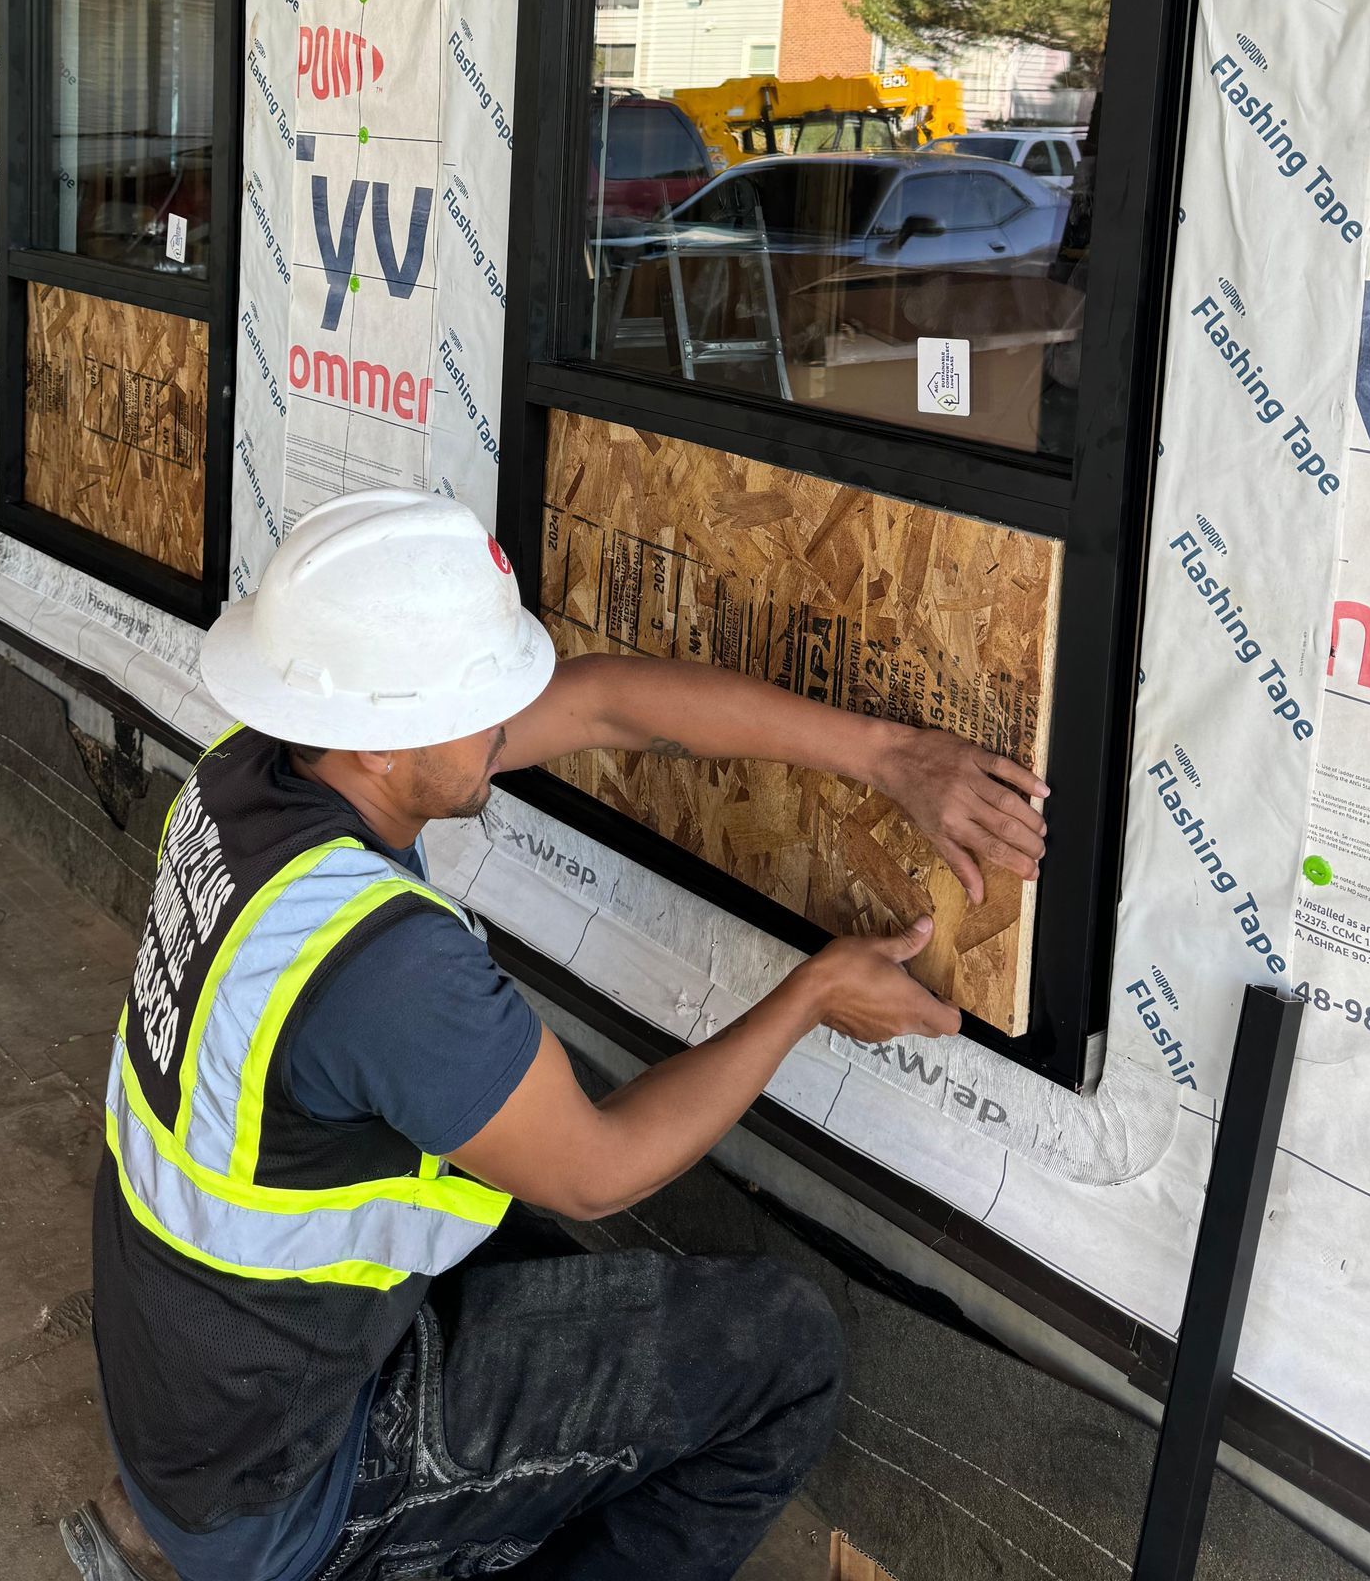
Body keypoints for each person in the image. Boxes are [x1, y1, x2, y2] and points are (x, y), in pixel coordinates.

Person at [62, 489, 1048, 1581]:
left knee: (556, 1266)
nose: (509, 712)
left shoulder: (256, 767)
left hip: (186, 1401)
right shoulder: (386, 971)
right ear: (383, 744)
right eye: (478, 696)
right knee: (781, 1352)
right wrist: (811, 995)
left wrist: (891, 756)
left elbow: (604, 705)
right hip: (282, 1484)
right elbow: (598, 1169)